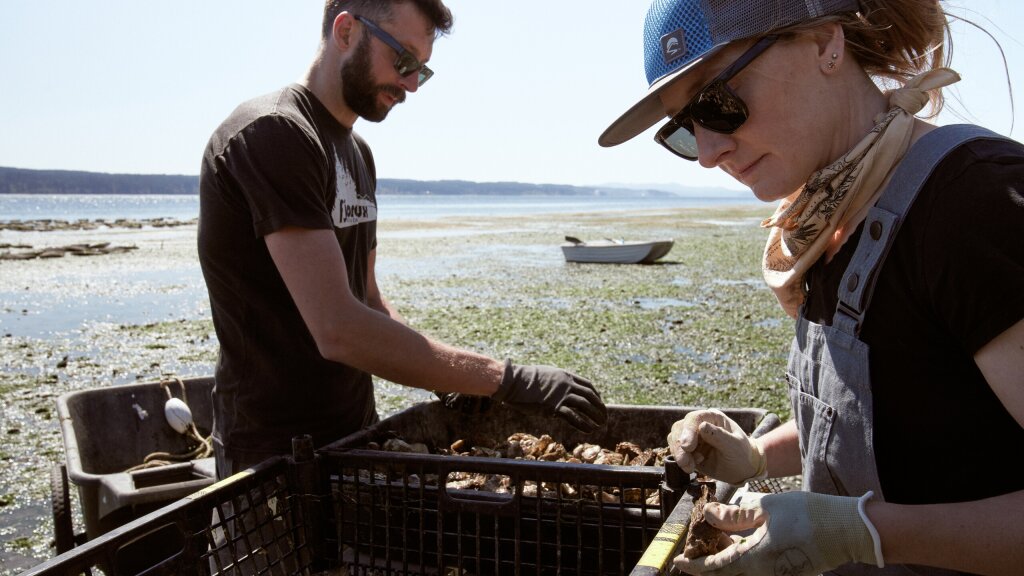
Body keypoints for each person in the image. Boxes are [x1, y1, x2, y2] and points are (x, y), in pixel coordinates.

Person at [599, 0, 1024, 575]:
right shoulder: (823, 218)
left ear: (827, 44)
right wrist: (756, 455)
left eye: (715, 104)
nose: (705, 153)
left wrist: (864, 534)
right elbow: (915, 411)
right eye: (681, 129)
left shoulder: (979, 205)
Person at [198, 0, 607, 483]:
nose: (412, 84)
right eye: (404, 60)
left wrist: (449, 379)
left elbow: (367, 298)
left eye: (422, 71)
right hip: (270, 454)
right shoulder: (274, 134)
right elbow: (338, 327)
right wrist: (510, 378)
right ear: (346, 31)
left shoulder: (357, 153)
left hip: (352, 436)